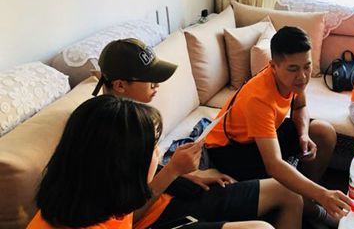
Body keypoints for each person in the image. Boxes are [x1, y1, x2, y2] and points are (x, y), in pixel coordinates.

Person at [94, 38, 301, 229]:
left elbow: (144, 174)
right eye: (149, 78)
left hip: (172, 193)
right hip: (154, 218)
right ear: (120, 85)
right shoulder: (106, 137)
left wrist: (188, 177)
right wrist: (173, 171)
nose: (157, 84)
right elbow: (127, 218)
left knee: (287, 192)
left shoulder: (135, 119)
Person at [28, 96, 272, 229]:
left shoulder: (96, 194)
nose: (158, 153)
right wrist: (173, 171)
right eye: (152, 148)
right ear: (123, 166)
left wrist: (182, 174)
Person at [204, 26, 352, 224]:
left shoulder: (294, 80)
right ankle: (313, 208)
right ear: (273, 66)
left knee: (323, 132)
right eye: (293, 68)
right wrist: (323, 194)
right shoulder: (259, 98)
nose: (302, 76)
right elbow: (273, 165)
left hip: (263, 134)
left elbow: (300, 107)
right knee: (286, 186)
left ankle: (307, 199)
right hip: (231, 149)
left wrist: (303, 135)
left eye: (307, 66)